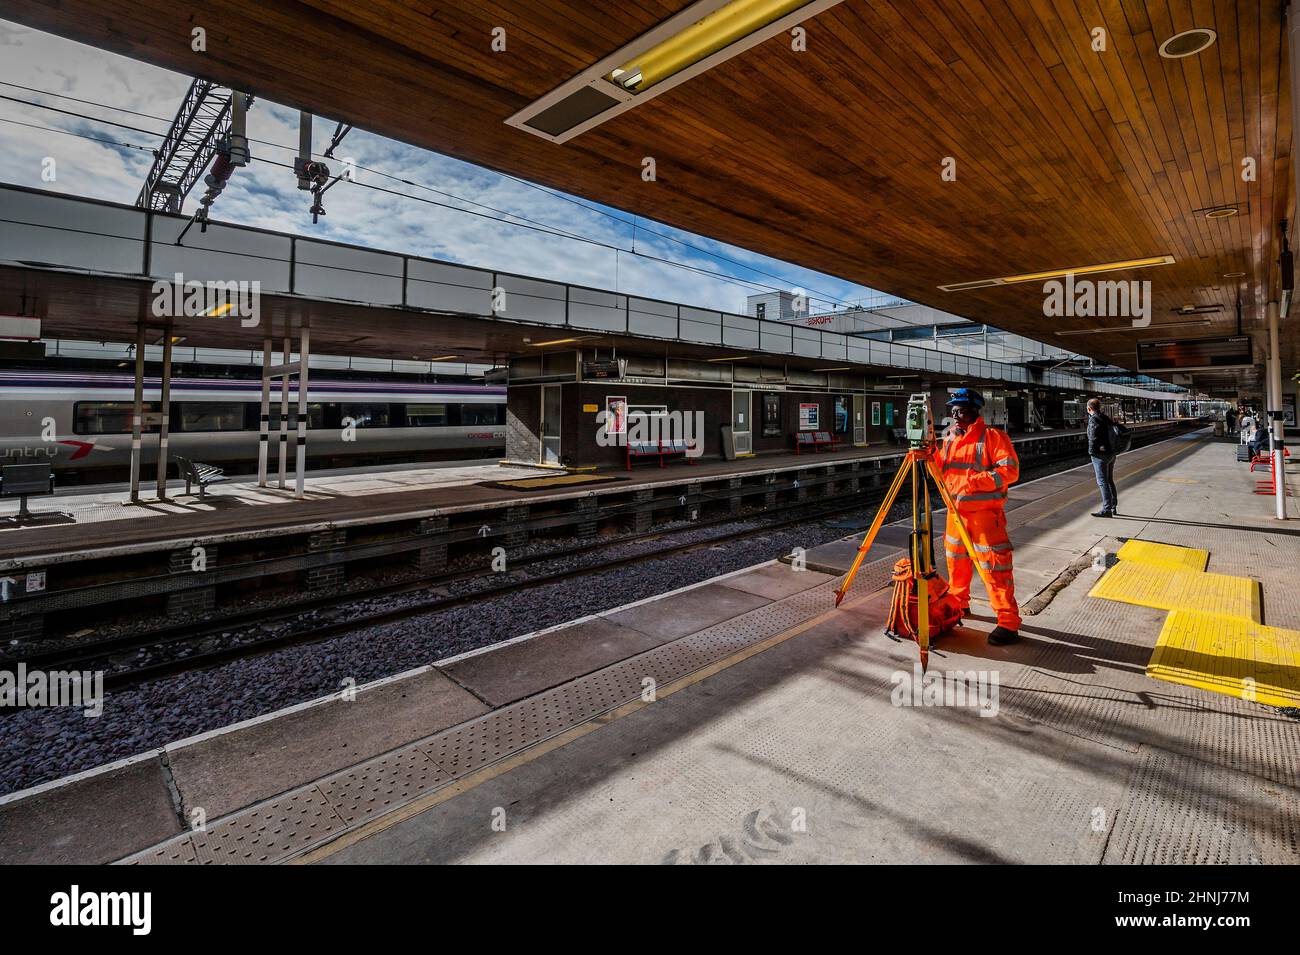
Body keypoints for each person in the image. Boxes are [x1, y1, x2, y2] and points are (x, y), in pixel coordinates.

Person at [937, 387, 1021, 645]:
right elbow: (942, 469)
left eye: (961, 410)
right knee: (956, 563)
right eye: (953, 410)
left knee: (994, 568)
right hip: (955, 514)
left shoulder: (993, 437)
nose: (955, 414)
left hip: (984, 517)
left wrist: (975, 482)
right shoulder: (950, 438)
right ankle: (959, 605)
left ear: (975, 411)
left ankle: (1008, 622)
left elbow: (1010, 471)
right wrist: (929, 453)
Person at [1086, 398, 1118, 517]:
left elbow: (1092, 438)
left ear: (1089, 408)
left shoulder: (1094, 419)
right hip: (1111, 454)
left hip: (1100, 455)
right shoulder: (1106, 418)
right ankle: (1113, 506)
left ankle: (1106, 510)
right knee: (1109, 480)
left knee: (1102, 481)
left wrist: (1091, 452)